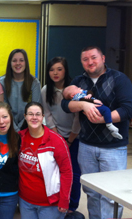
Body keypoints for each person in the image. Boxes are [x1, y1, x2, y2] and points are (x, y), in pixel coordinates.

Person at [61, 46, 132, 219]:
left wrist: (103, 120)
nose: (90, 62)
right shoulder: (78, 81)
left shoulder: (119, 78)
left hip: (113, 148)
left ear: (103, 58)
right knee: (91, 192)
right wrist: (84, 105)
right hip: (86, 146)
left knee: (111, 196)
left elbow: (128, 109)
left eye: (93, 57)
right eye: (85, 59)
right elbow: (65, 104)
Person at [40, 57, 82, 215]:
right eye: (52, 70)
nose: (55, 73)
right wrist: (59, 138)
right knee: (54, 171)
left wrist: (70, 140)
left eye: (59, 69)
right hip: (55, 137)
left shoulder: (74, 90)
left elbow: (78, 117)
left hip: (74, 137)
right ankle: (57, 202)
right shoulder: (46, 90)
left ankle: (72, 207)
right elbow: (47, 115)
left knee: (74, 173)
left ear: (66, 70)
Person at [18, 102, 72, 219]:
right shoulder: (19, 138)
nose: (34, 117)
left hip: (50, 204)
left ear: (43, 117)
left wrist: (64, 200)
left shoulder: (56, 141)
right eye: (30, 114)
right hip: (25, 202)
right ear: (25, 116)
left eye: (38, 114)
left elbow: (67, 172)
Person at [0, 48, 41, 132]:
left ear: (26, 63)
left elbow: (34, 108)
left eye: (21, 60)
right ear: (10, 64)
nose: (18, 63)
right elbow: (4, 108)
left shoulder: (34, 83)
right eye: (14, 60)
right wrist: (14, 128)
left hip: (28, 126)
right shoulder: (2, 82)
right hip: (7, 125)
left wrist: (21, 128)